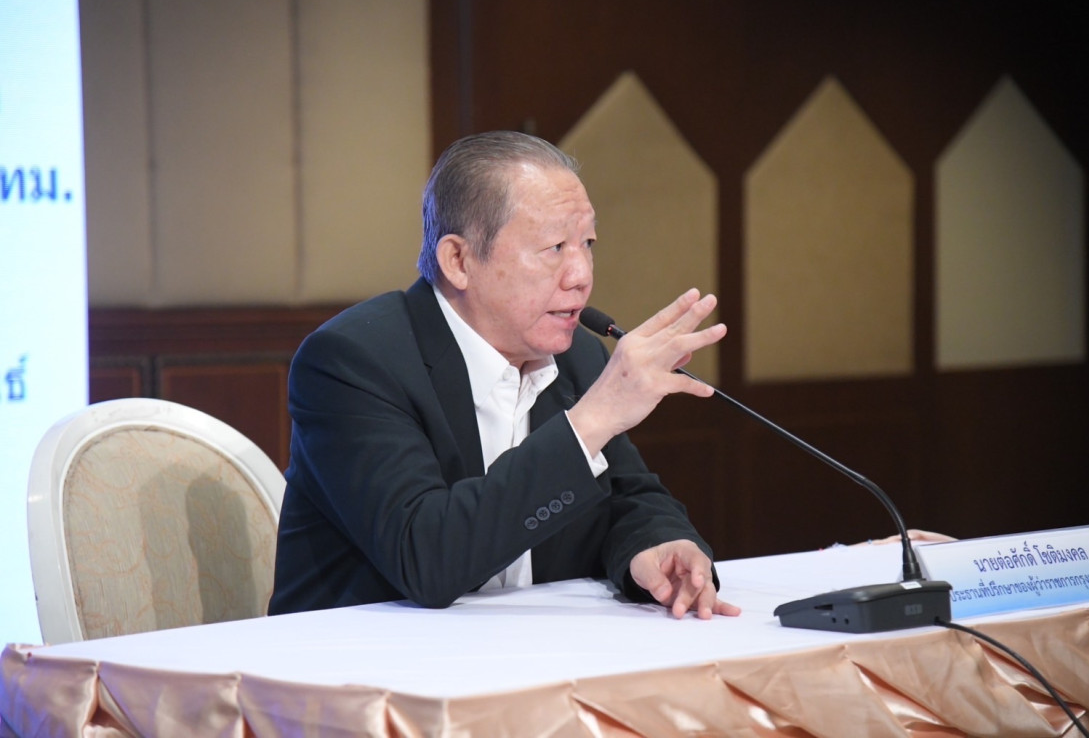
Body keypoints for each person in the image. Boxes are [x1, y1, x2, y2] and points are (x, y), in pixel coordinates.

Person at [268, 131, 740, 620]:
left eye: (587, 243)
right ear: (459, 261)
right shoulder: (353, 361)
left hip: (530, 651)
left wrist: (658, 544)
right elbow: (426, 557)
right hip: (365, 657)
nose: (581, 274)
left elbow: (628, 497)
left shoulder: (576, 355)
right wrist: (591, 420)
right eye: (554, 247)